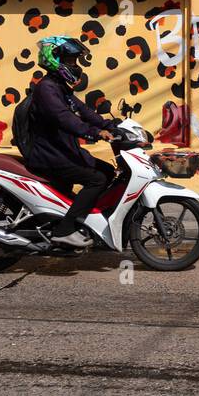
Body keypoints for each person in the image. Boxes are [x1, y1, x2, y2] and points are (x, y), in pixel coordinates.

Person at [25, 36, 117, 248]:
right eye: (71, 61)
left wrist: (111, 125)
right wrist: (96, 133)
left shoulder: (60, 88)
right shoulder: (46, 89)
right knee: (98, 179)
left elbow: (83, 111)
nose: (75, 66)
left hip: (62, 151)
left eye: (76, 61)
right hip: (50, 155)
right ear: (55, 59)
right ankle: (65, 230)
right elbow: (64, 119)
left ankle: (85, 221)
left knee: (109, 172)